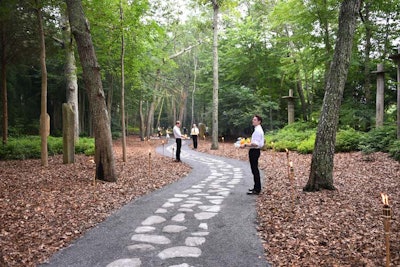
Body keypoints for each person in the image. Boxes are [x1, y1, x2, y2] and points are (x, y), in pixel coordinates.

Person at [240, 115, 264, 195]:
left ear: (259, 121)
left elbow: (255, 144)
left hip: (254, 151)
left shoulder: (258, 131)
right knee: (254, 170)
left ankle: (257, 189)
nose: (253, 121)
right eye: (253, 119)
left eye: (255, 120)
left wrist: (246, 145)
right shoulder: (257, 129)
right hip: (254, 151)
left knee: (255, 170)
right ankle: (256, 187)